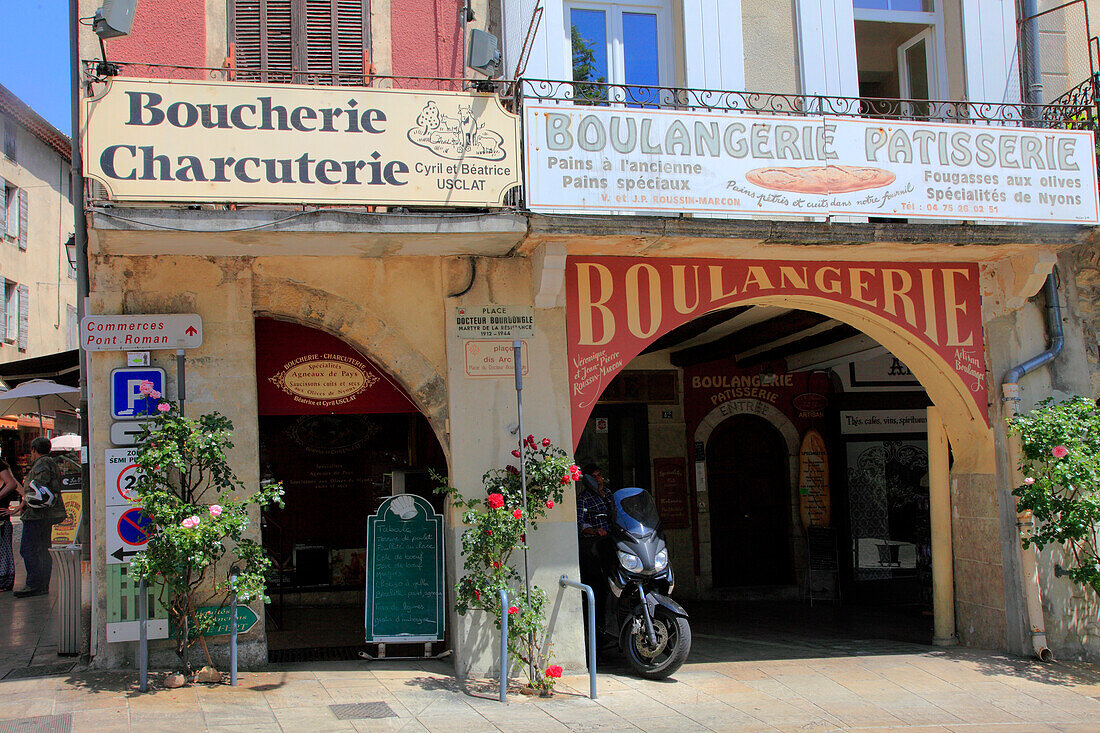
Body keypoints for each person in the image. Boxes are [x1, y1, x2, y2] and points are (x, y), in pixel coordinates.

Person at [10, 438, 66, 598]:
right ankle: (41, 584)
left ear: (34, 449)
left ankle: (34, 584)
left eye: (31, 451)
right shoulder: (50, 462)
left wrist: (26, 503)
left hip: (38, 514)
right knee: (41, 549)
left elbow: (39, 491)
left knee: (28, 549)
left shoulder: (42, 464)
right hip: (44, 514)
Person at [576, 463, 613, 646]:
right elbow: (580, 521)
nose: (599, 479)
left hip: (611, 544)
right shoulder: (584, 498)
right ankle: (597, 632)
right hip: (593, 547)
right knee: (596, 587)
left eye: (600, 475)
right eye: (596, 476)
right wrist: (593, 530)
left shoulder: (608, 495)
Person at [0, 455, 22, 591]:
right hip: (4, 519)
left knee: (3, 550)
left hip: (2, 520)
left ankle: (4, 581)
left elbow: (15, 485)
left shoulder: (7, 478)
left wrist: (14, 510)